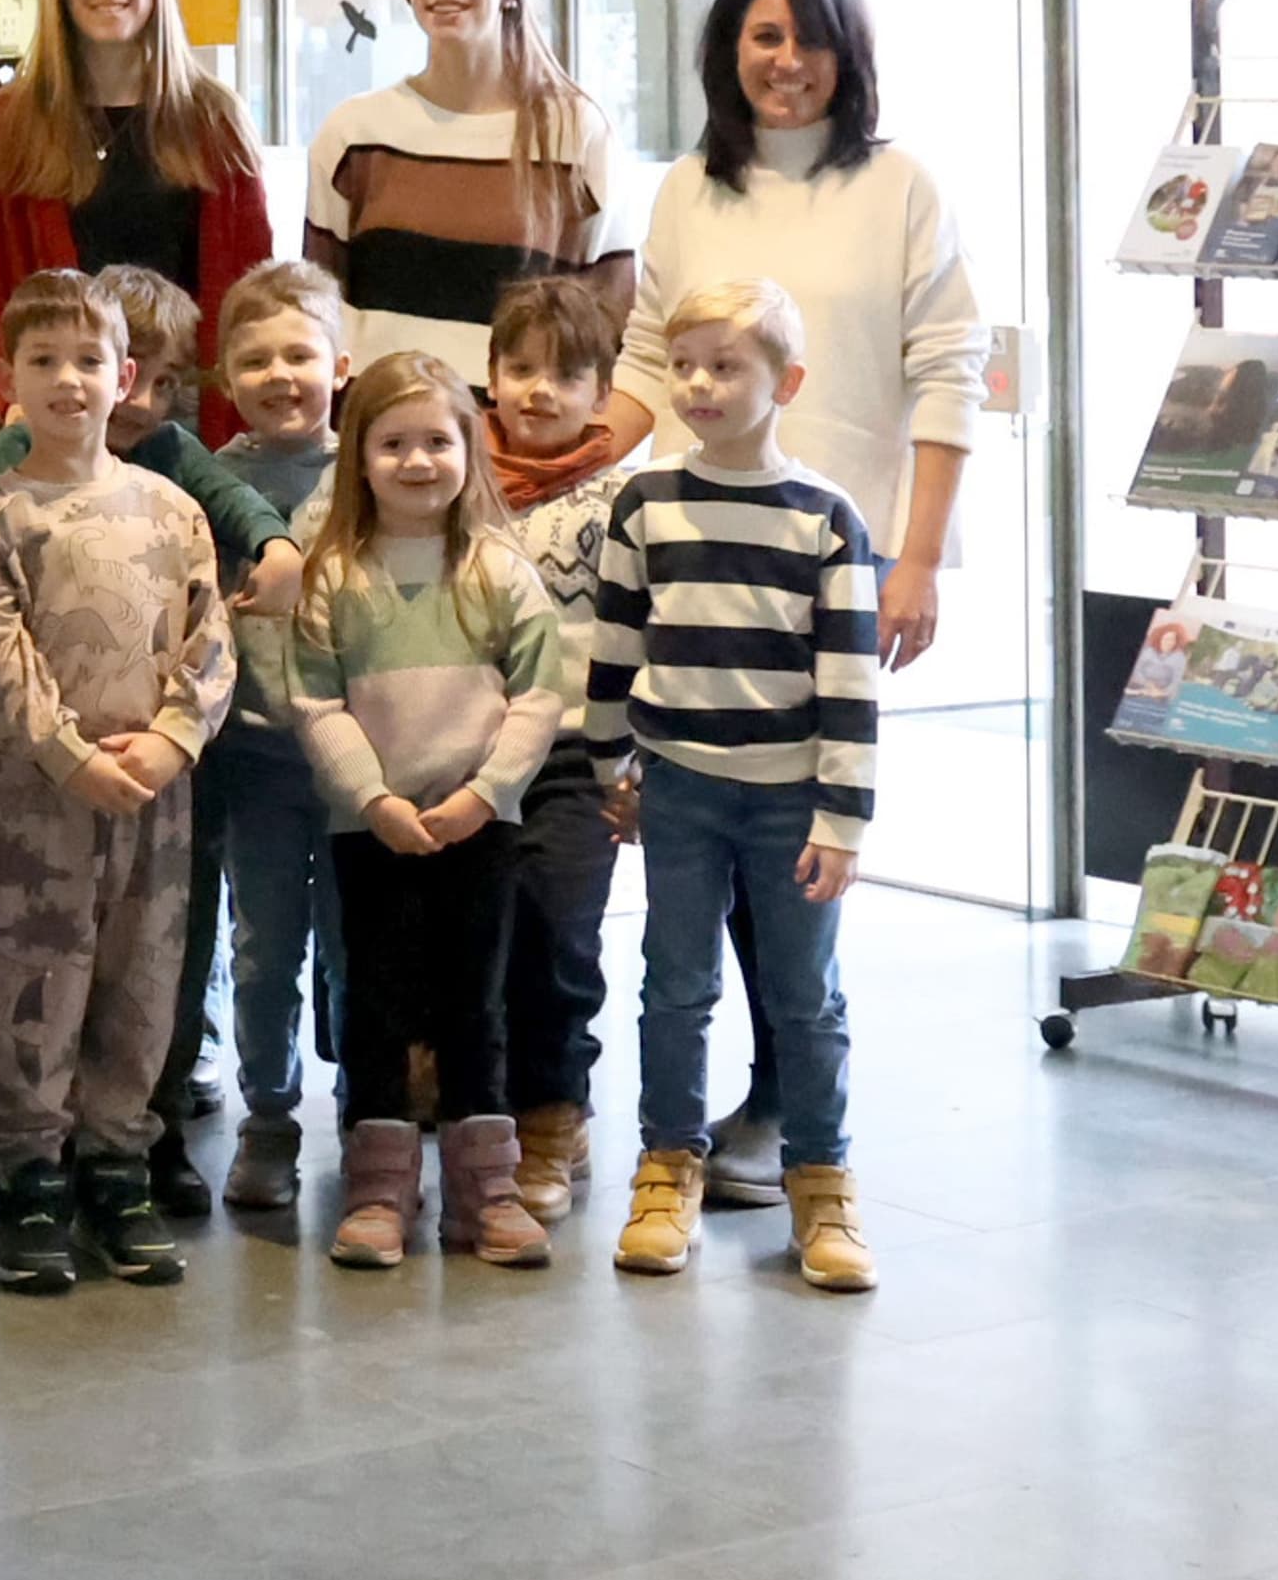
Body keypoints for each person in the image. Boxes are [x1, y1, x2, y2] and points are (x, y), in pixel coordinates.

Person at [600, 0, 980, 1202]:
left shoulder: (902, 185)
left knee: (811, 814)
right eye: (760, 36)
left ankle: (781, 1099)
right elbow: (653, 355)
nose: (784, 61)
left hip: (841, 550)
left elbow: (947, 369)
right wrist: (576, 455)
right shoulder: (687, 190)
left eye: (808, 38)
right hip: (701, 548)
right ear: (728, 50)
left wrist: (914, 555)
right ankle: (756, 1100)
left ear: (846, 53)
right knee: (723, 796)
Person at [0, 264, 289, 1221]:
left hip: (158, 789)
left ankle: (119, 1153)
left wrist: (171, 741)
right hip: (43, 796)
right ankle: (29, 1165)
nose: (69, 380)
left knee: (143, 973)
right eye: (44, 360)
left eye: (89, 360)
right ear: (7, 378)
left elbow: (211, 637)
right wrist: (68, 753)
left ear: (127, 376)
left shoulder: (172, 506)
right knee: (39, 974)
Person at [592, 280, 882, 1295]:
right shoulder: (646, 501)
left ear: (785, 382)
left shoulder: (826, 518)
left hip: (791, 800)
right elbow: (617, 644)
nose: (699, 384)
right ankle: (667, 1166)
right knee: (676, 985)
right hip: (678, 789)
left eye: (727, 365)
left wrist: (842, 817)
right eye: (684, 365)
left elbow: (850, 680)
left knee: (805, 997)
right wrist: (606, 765)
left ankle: (822, 1182)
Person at [288, 355, 563, 1272]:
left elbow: (538, 696)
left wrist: (483, 795)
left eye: (437, 441)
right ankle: (378, 1184)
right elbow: (316, 703)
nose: (416, 461)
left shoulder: (500, 571)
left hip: (481, 826)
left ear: (469, 449)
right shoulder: (333, 574)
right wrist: (374, 799)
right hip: (372, 830)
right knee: (375, 997)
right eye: (393, 442)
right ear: (357, 456)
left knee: (475, 1000)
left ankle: (487, 1185)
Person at [0, 0, 272, 443]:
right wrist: (11, 401)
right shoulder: (11, 122)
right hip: (55, 404)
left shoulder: (215, 119)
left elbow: (251, 288)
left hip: (185, 412)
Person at [304, 0, 636, 384]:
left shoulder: (575, 134)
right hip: (380, 443)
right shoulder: (353, 134)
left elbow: (609, 323)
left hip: (524, 451)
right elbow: (319, 318)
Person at [479, 274, 639, 1231]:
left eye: (567, 375)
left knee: (559, 929)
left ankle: (554, 1114)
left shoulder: (625, 499)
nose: (539, 391)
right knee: (479, 933)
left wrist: (641, 763)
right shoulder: (456, 479)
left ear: (603, 391)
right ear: (490, 376)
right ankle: (487, 1109)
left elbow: (647, 638)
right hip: (473, 751)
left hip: (579, 755)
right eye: (520, 369)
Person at [202, 257, 349, 1214]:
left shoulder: (374, 468)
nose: (280, 374)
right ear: (226, 380)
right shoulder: (215, 483)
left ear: (343, 363)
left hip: (363, 759)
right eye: (256, 359)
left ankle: (372, 1103)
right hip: (254, 755)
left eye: (300, 353)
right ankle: (269, 1115)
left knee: (354, 941)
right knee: (262, 945)